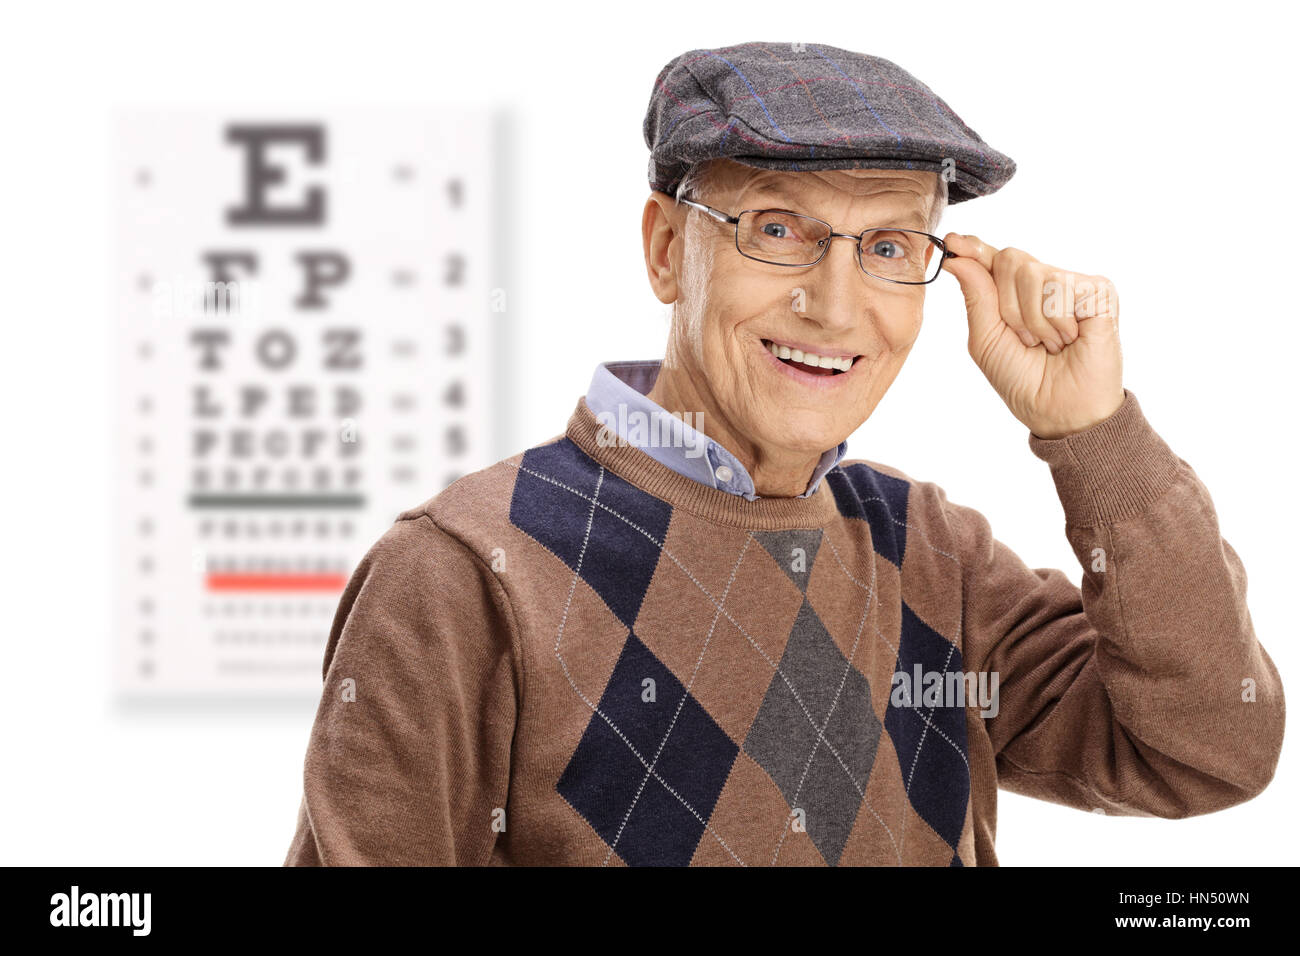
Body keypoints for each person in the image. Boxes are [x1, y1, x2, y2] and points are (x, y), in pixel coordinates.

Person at [284, 42, 1284, 866]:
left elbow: (1208, 749)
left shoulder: (927, 549)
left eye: (889, 246)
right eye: (776, 229)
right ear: (667, 249)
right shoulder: (463, 571)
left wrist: (1093, 435)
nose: (837, 304)